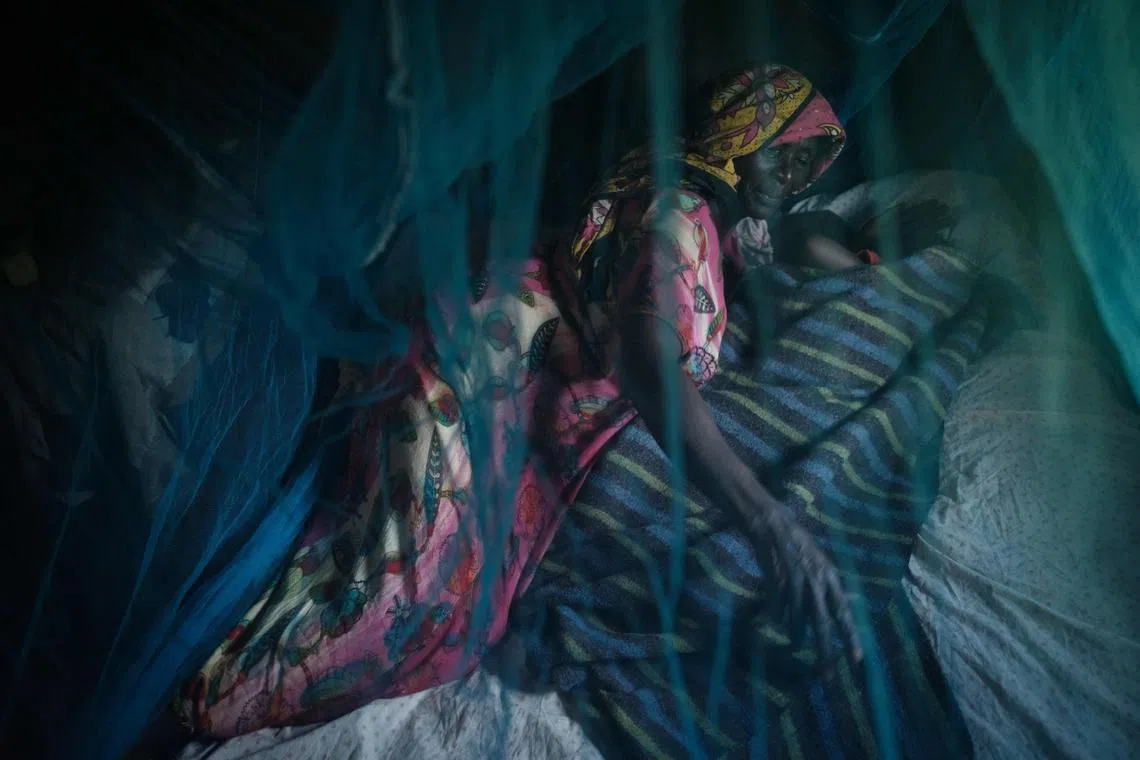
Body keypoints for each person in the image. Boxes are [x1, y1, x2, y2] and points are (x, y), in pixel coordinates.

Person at [176, 63, 863, 738]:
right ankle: (198, 695)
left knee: (465, 613)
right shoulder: (680, 215)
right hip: (469, 386)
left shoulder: (689, 195)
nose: (799, 180)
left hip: (506, 385)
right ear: (747, 135)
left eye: (812, 168)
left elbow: (741, 268)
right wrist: (770, 523)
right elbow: (650, 364)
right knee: (390, 609)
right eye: (790, 157)